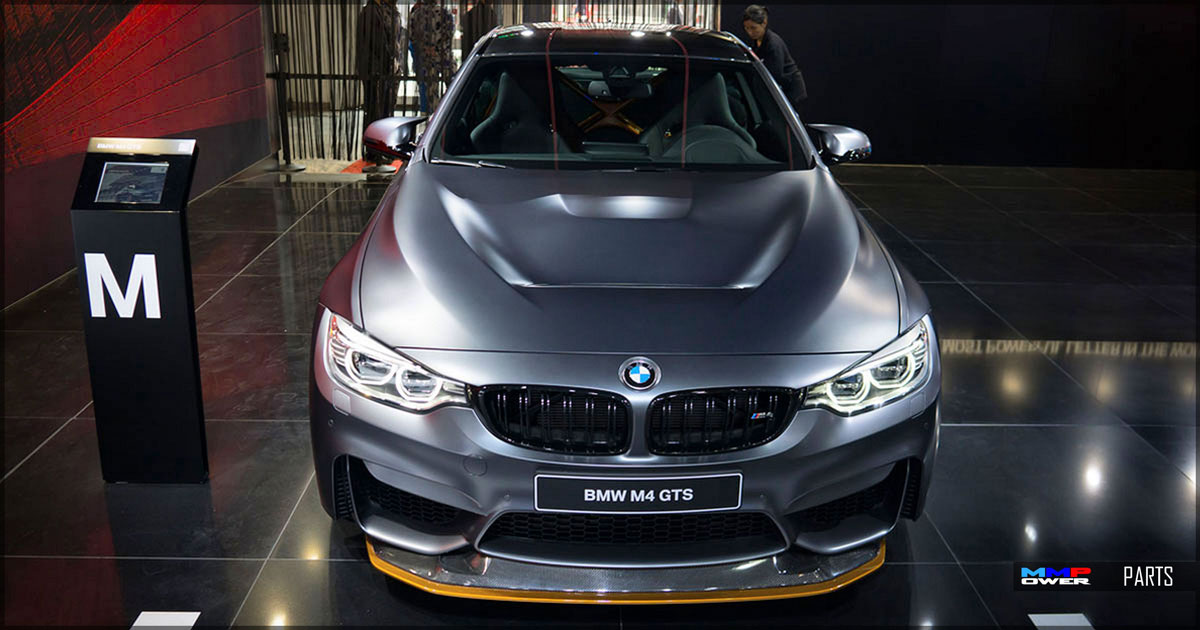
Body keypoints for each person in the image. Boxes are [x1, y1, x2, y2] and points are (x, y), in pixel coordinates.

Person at [356, 0, 403, 166]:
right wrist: (390, 61)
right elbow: (378, 44)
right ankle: (375, 153)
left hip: (383, 69)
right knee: (376, 111)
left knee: (382, 110)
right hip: (376, 70)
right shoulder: (371, 12)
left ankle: (380, 150)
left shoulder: (386, 11)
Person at [741, 5, 807, 113]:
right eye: (746, 28)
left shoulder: (773, 44)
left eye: (753, 28)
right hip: (780, 90)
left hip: (791, 91)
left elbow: (774, 74)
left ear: (764, 23)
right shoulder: (757, 42)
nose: (749, 32)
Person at [409, 0, 456, 113]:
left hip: (427, 59)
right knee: (454, 86)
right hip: (444, 57)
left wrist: (425, 49)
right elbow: (450, 34)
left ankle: (435, 117)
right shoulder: (445, 13)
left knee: (431, 93)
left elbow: (412, 37)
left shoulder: (416, 15)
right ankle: (449, 111)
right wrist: (438, 49)